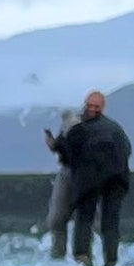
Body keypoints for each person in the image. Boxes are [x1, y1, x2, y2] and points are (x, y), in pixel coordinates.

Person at [53, 90, 133, 266]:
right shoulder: (115, 129)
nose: (92, 109)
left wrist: (55, 145)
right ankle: (110, 262)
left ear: (102, 107)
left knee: (86, 219)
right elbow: (127, 149)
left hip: (94, 180)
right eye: (90, 105)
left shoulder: (78, 129)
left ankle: (84, 259)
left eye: (95, 106)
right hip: (113, 178)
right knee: (107, 223)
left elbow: (68, 153)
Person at [39, 105, 82, 257]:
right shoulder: (66, 127)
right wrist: (53, 145)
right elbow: (64, 148)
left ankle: (86, 259)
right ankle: (58, 257)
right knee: (56, 220)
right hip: (67, 172)